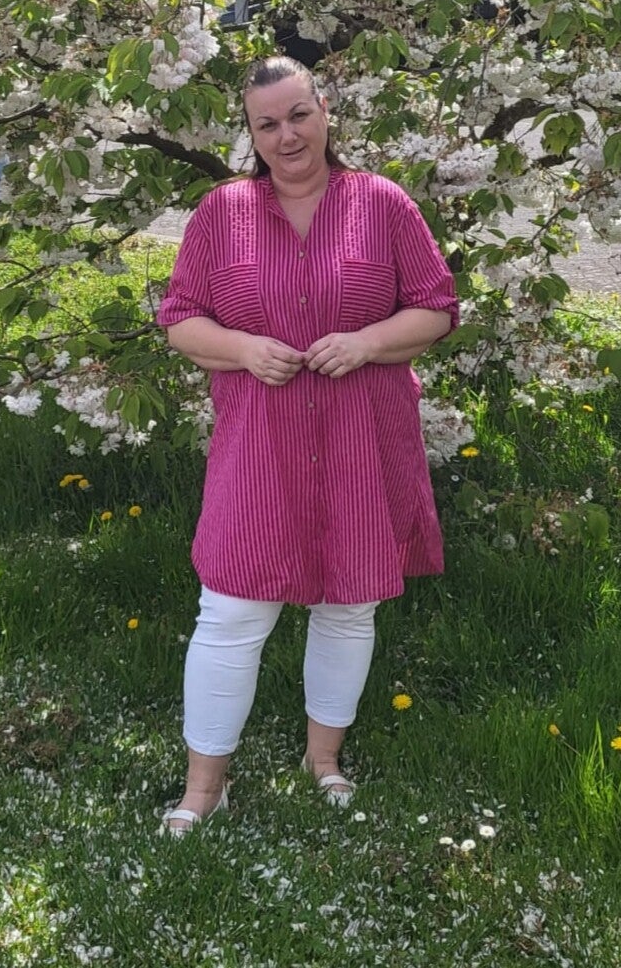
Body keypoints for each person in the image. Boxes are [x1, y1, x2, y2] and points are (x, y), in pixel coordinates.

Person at [156, 55, 458, 835]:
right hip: (259, 446)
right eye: (267, 124)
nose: (286, 135)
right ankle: (203, 787)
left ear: (325, 110)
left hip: (361, 439)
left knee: (349, 604)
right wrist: (243, 348)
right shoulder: (222, 212)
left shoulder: (382, 204)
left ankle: (324, 760)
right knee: (230, 607)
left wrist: (366, 342)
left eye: (298, 114)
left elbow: (436, 307)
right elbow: (181, 318)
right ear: (251, 134)